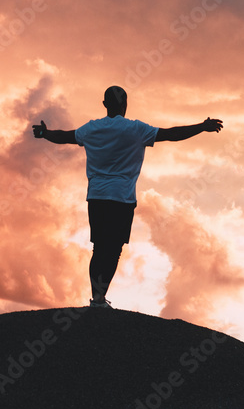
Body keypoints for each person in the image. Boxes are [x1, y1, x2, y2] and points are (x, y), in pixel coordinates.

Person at [32, 85, 223, 308]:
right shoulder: (136, 130)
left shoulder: (91, 129)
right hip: (121, 198)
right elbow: (172, 134)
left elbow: (65, 136)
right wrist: (202, 126)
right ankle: (100, 299)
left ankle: (97, 298)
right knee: (113, 250)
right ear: (125, 105)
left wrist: (45, 133)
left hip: (96, 196)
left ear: (104, 104)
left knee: (99, 247)